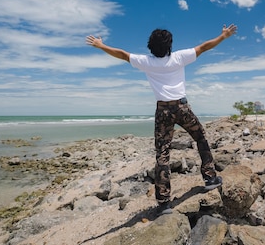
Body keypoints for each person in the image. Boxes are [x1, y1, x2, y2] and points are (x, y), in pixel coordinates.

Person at [86, 24, 237, 215]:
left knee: (163, 153)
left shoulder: (146, 61)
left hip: (163, 111)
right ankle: (210, 179)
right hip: (182, 108)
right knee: (200, 138)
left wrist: (101, 45)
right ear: (169, 45)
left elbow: (123, 54)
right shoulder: (179, 57)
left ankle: (164, 202)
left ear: (151, 45)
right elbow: (204, 47)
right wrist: (223, 36)